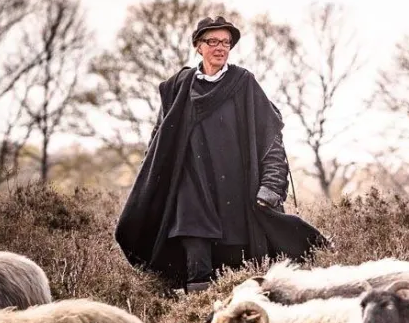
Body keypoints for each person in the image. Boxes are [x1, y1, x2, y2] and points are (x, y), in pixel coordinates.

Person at [115, 16, 329, 293]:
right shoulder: (178, 87)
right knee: (194, 245)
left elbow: (270, 139)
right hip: (190, 188)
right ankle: (193, 311)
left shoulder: (243, 84)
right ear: (197, 46)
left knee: (238, 264)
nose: (220, 47)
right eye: (212, 41)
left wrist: (271, 186)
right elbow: (159, 140)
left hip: (235, 188)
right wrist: (151, 188)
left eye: (226, 42)